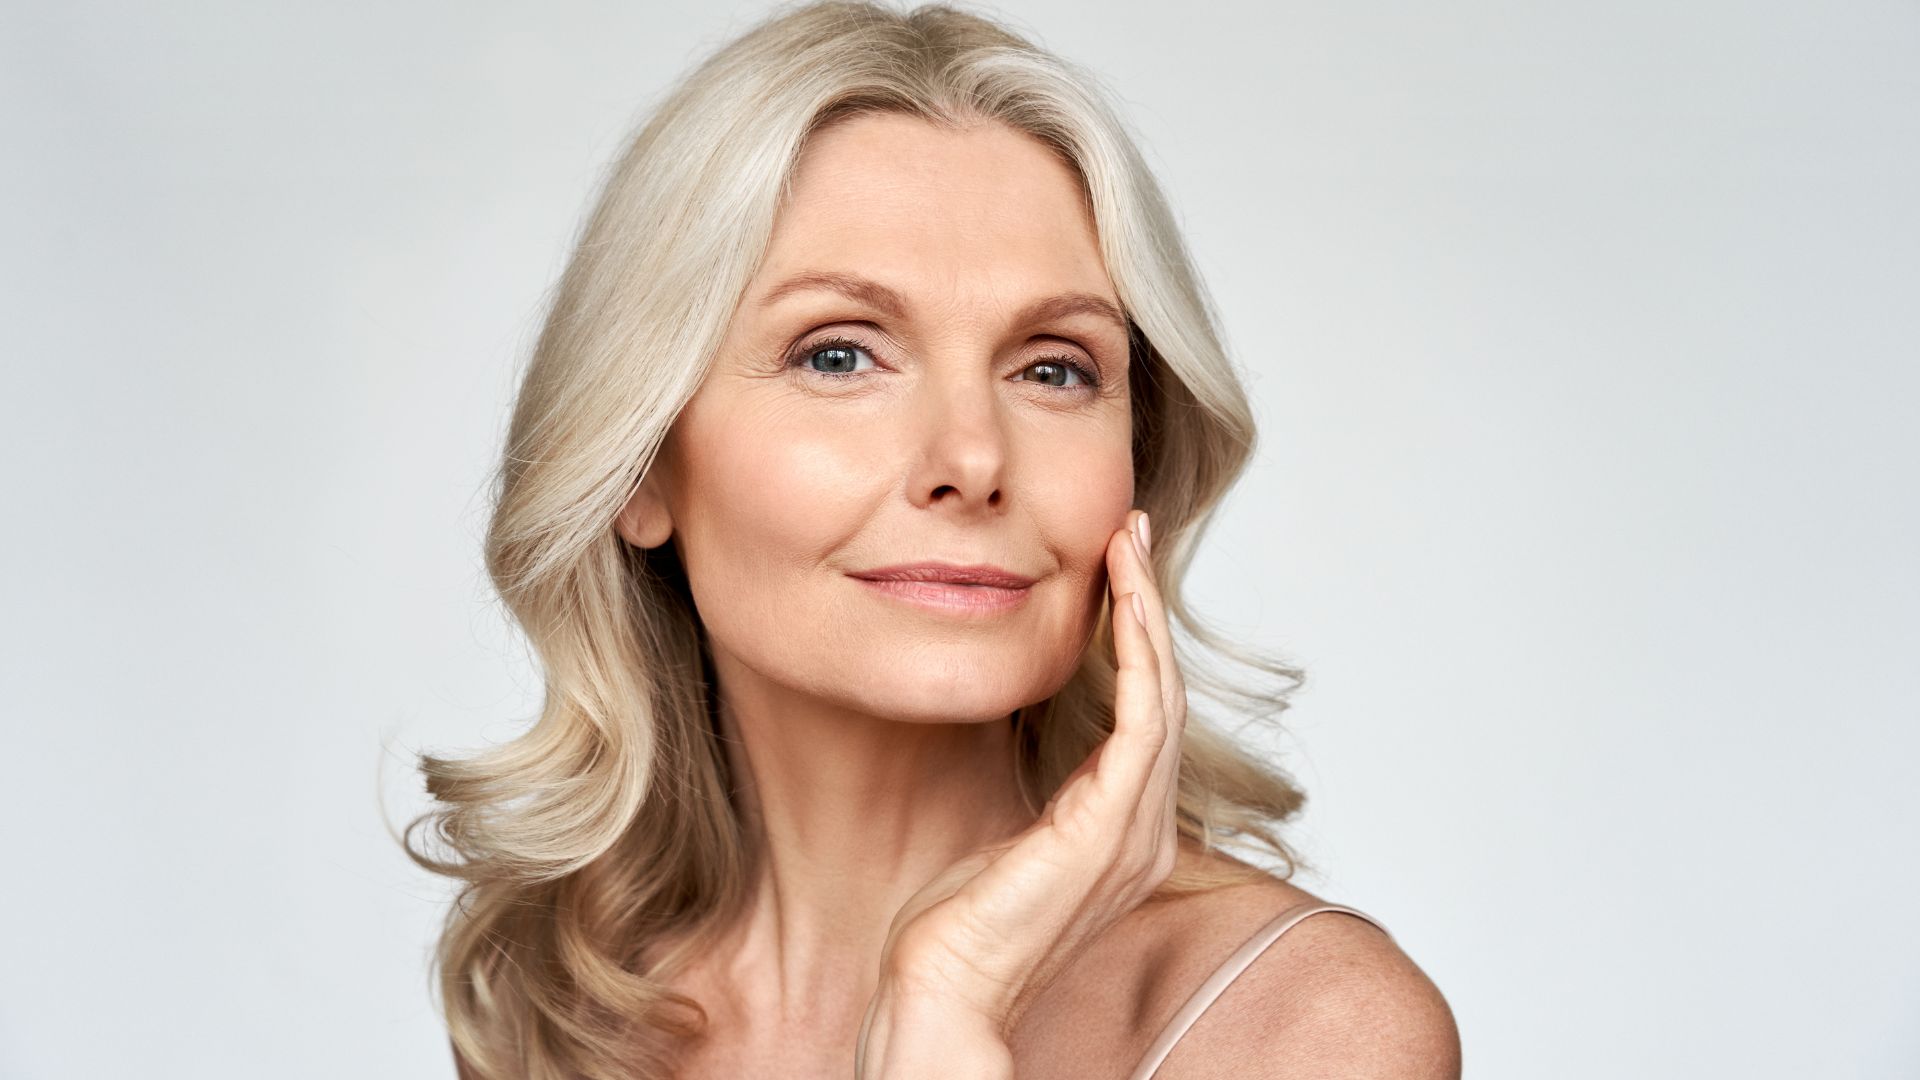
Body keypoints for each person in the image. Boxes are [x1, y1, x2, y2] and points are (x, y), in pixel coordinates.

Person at [402, 2, 1460, 1077]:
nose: (974, 457)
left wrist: (949, 995)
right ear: (638, 463)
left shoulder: (1304, 1028)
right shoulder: (558, 1000)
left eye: (1054, 369)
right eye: (839, 355)